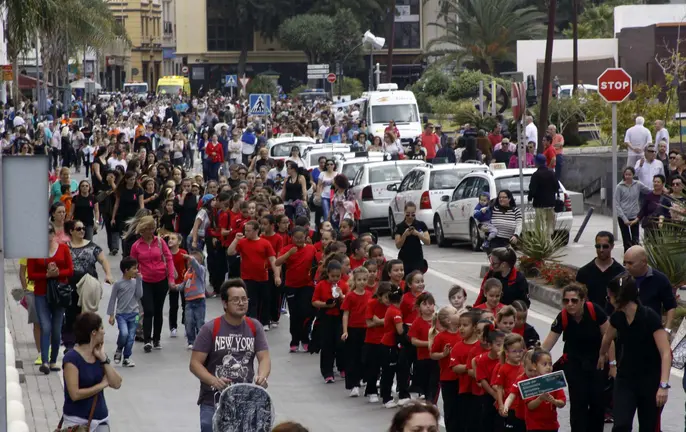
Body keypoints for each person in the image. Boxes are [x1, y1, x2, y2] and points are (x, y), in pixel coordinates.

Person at [190, 278, 270, 432]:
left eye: (244, 299)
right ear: (225, 303)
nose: (241, 303)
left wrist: (262, 376)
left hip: (245, 402)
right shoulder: (210, 328)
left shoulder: (255, 326)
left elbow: (264, 357)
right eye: (235, 300)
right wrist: (213, 380)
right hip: (212, 401)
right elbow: (195, 364)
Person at [599, 273, 672, 432]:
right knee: (621, 425)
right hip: (625, 380)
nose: (608, 299)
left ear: (619, 297)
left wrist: (663, 385)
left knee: (648, 426)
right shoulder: (618, 317)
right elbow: (607, 338)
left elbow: (665, 352)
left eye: (609, 296)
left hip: (650, 381)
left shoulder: (649, 317)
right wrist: (603, 356)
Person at [541, 284, 612, 432]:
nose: (570, 304)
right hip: (574, 364)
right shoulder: (563, 317)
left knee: (597, 403)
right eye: (566, 301)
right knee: (578, 403)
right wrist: (535, 361)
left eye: (574, 300)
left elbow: (609, 337)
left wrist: (612, 364)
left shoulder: (595, 311)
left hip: (597, 362)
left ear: (582, 300)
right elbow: (549, 343)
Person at [61, 312, 122, 431]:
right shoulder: (71, 359)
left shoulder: (99, 356)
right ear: (93, 332)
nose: (104, 332)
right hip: (77, 423)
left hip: (101, 420)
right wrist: (102, 385)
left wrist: (103, 358)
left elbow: (117, 383)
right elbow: (75, 394)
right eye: (101, 328)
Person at [27, 224, 74, 374]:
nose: (47, 235)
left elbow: (70, 270)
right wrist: (46, 275)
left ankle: (54, 360)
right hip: (41, 292)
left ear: (54, 234)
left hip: (59, 292)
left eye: (49, 232)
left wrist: (58, 273)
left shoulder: (63, 249)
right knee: (45, 326)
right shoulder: (34, 252)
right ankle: (45, 361)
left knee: (56, 328)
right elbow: (31, 274)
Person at [129, 215, 175, 353]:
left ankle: (157, 339)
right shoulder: (136, 246)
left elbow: (169, 258)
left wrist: (171, 278)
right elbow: (132, 264)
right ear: (142, 230)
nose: (151, 232)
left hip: (161, 280)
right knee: (148, 310)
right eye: (148, 229)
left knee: (158, 310)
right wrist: (132, 279)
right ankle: (147, 339)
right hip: (145, 281)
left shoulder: (160, 242)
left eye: (152, 228)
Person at [226, 221, 281, 328]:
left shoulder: (265, 243)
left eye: (248, 230)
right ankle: (251, 321)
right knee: (250, 301)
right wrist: (236, 239)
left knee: (264, 300)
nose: (246, 232)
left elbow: (273, 259)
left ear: (256, 230)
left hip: (262, 277)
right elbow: (230, 252)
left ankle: (265, 322)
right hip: (247, 277)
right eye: (245, 230)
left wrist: (277, 275)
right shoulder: (242, 242)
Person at [275, 227, 317, 353]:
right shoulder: (287, 249)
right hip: (292, 286)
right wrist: (289, 254)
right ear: (291, 237)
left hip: (307, 285)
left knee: (307, 313)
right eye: (296, 237)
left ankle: (305, 339)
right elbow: (277, 262)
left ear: (306, 237)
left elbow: (317, 265)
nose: (299, 240)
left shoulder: (311, 248)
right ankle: (294, 340)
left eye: (301, 237)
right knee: (294, 315)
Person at [623, 245, 677, 329]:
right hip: (626, 331)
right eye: (624, 263)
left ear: (644, 262)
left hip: (651, 332)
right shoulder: (621, 280)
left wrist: (667, 330)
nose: (626, 267)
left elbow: (670, 307)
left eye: (630, 263)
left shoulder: (660, 279)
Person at [107, 256, 143, 367]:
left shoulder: (135, 282)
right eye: (134, 268)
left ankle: (126, 357)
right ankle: (119, 349)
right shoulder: (118, 284)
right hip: (121, 314)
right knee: (124, 333)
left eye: (137, 268)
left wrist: (139, 281)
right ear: (126, 270)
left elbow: (139, 295)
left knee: (131, 337)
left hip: (135, 314)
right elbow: (112, 299)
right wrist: (111, 315)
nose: (136, 271)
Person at [575, 231, 625, 309]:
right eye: (598, 246)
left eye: (605, 246)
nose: (601, 250)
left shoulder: (621, 272)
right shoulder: (584, 272)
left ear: (612, 246)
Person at [614, 167, 651, 251]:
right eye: (626, 174)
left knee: (635, 240)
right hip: (623, 217)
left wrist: (659, 190)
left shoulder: (637, 184)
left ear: (633, 175)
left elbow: (648, 191)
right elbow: (617, 204)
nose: (628, 176)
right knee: (626, 240)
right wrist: (624, 218)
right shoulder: (619, 187)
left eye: (630, 174)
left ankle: (635, 258)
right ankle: (626, 259)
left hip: (634, 216)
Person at [394, 202, 430, 276]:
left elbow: (427, 241)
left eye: (413, 214)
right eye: (408, 214)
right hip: (404, 259)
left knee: (416, 279)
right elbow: (398, 245)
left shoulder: (421, 225)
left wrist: (418, 234)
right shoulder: (399, 227)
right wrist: (405, 235)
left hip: (417, 258)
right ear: (404, 212)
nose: (410, 216)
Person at [182, 251, 208, 350]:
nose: (190, 262)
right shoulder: (187, 273)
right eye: (189, 260)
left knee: (199, 322)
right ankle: (191, 341)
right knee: (189, 322)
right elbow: (184, 285)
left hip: (199, 300)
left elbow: (196, 265)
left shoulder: (201, 270)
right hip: (188, 301)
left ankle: (201, 341)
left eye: (193, 260)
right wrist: (175, 287)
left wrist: (190, 257)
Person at [528, 153, 557, 237]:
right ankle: (549, 242)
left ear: (537, 162)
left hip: (539, 205)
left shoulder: (536, 175)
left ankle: (542, 243)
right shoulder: (551, 173)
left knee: (540, 226)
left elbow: (532, 189)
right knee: (549, 226)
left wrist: (530, 198)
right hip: (551, 204)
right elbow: (556, 187)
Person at [637, 174, 667, 238]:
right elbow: (643, 209)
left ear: (663, 184)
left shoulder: (666, 197)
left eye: (658, 182)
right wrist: (637, 219)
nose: (656, 183)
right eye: (654, 182)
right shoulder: (649, 196)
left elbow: (668, 212)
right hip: (649, 226)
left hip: (662, 228)